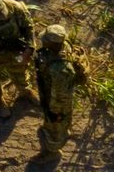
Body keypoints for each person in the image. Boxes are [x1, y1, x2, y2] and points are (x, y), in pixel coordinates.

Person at [33, 25, 86, 164]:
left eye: (45, 40)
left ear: (52, 44)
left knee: (56, 126)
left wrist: (54, 113)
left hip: (58, 104)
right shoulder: (64, 46)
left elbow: (61, 97)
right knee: (53, 122)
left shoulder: (61, 70)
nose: (42, 41)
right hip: (51, 92)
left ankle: (53, 152)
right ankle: (54, 128)